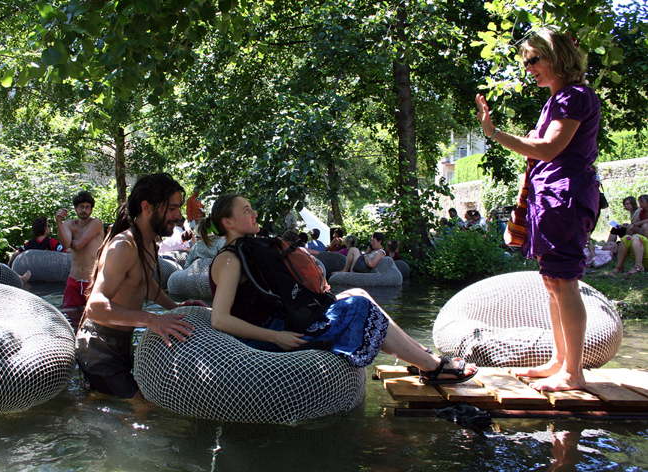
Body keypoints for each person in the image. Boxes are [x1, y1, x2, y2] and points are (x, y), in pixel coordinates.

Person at [199, 194, 477, 384]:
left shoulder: (244, 250)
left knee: (358, 294)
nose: (254, 212)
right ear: (228, 222)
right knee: (360, 306)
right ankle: (434, 369)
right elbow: (220, 319)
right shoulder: (229, 259)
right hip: (269, 338)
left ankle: (423, 357)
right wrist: (276, 337)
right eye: (246, 210)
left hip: (282, 324)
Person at [475, 28, 600, 392]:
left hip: (566, 198)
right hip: (552, 199)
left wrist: (494, 133)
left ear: (556, 55)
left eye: (534, 59)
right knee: (552, 282)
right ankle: (560, 362)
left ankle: (573, 373)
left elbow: (547, 149)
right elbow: (543, 148)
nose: (528, 67)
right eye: (525, 61)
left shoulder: (572, 97)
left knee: (564, 281)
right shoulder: (557, 100)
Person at [76, 173, 207, 399]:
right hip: (99, 345)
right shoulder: (123, 246)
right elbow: (94, 307)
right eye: (172, 208)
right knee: (143, 407)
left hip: (120, 342)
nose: (179, 215)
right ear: (147, 207)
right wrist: (150, 319)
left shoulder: (148, 243)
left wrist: (174, 306)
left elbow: (145, 284)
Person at [56, 191, 104, 310]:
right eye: (81, 207)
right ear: (76, 209)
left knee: (93, 315)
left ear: (91, 210)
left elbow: (77, 245)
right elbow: (66, 245)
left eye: (87, 207)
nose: (84, 210)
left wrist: (71, 239)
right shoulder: (68, 224)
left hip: (92, 280)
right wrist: (58, 222)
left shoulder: (96, 223)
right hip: (74, 280)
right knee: (69, 314)